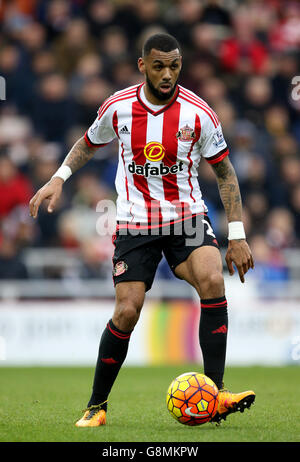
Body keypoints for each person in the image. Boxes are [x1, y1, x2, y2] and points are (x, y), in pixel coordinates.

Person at [29, 33, 255, 427]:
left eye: (174, 66)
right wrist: (59, 177)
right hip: (136, 224)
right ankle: (96, 407)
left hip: (186, 216)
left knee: (212, 280)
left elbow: (224, 171)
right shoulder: (118, 107)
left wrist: (236, 234)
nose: (167, 74)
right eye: (159, 66)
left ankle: (215, 394)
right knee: (127, 310)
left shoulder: (198, 113)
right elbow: (88, 142)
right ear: (142, 65)